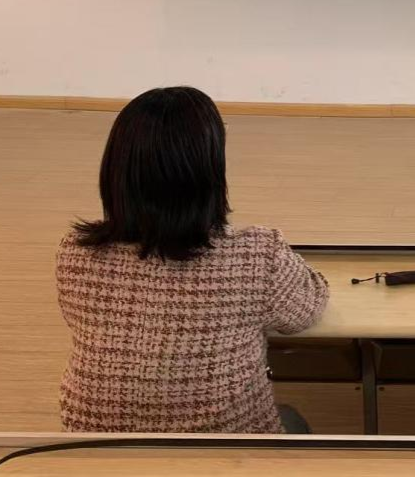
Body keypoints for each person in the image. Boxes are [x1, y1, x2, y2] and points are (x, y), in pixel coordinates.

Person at [56, 86, 328, 433]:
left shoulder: (74, 253)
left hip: (98, 451)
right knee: (292, 420)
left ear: (116, 168)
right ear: (208, 170)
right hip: (229, 451)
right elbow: (306, 311)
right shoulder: (257, 255)